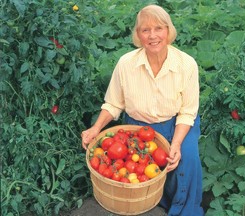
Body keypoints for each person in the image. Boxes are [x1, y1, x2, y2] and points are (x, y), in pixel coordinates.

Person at [81, 4, 204, 216]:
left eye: (158, 28)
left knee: (186, 159)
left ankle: (186, 211)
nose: (152, 35)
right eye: (145, 30)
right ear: (138, 35)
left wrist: (176, 143)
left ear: (168, 31)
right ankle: (154, 203)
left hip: (178, 124)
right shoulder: (126, 64)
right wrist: (96, 128)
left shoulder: (187, 64)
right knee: (138, 172)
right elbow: (113, 103)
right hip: (138, 126)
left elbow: (187, 112)